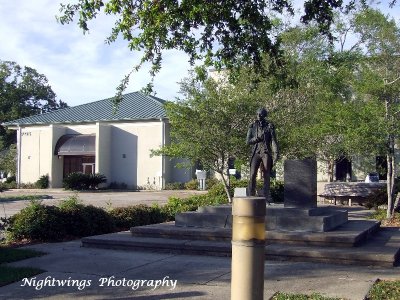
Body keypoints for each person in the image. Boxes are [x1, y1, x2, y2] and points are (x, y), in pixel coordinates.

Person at [246, 107, 279, 203]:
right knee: (252, 174)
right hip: (256, 152)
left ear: (264, 115)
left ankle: (266, 196)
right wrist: (257, 139)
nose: (259, 116)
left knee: (267, 174)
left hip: (266, 152)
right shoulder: (252, 126)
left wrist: (276, 153)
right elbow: (247, 141)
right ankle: (251, 195)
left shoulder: (269, 126)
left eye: (261, 114)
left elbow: (273, 141)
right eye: (258, 114)